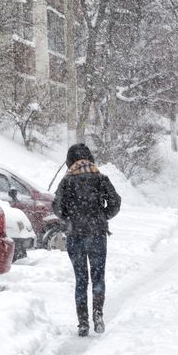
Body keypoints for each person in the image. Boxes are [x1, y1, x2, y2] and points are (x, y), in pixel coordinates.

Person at [53, 143, 121, 337]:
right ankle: (98, 314)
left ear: (70, 161)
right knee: (98, 277)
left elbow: (57, 207)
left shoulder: (66, 182)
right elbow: (116, 202)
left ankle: (83, 323)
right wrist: (102, 217)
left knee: (81, 280)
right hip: (98, 234)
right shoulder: (100, 178)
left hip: (76, 236)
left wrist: (70, 218)